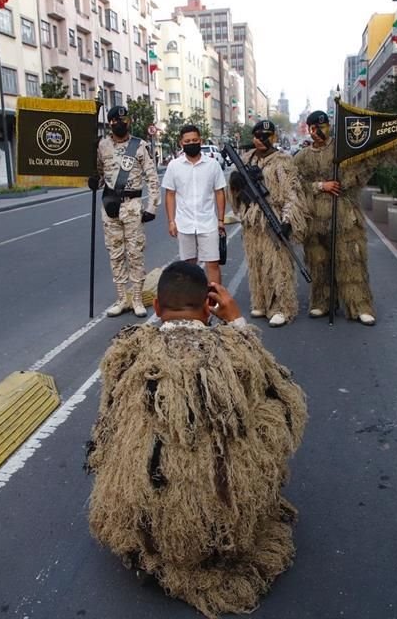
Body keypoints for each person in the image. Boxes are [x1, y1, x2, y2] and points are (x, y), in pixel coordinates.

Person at [85, 261, 307, 619]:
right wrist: (237, 322)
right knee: (267, 415)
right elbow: (281, 394)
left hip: (150, 515)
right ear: (209, 306)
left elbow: (105, 429)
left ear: (156, 309)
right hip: (220, 516)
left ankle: (152, 525)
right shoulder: (234, 350)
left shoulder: (129, 352)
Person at [293, 110, 377, 324]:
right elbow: (294, 184)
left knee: (350, 260)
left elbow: (359, 173)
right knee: (318, 261)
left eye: (323, 126)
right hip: (315, 217)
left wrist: (346, 179)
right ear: (308, 129)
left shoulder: (342, 149)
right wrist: (320, 186)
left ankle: (359, 305)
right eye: (313, 128)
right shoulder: (302, 157)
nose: (318, 131)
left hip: (344, 214)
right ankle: (322, 301)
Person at [228, 119, 307, 327]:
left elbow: (292, 194)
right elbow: (235, 198)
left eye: (266, 137)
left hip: (274, 217)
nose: (261, 140)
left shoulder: (282, 161)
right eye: (257, 136)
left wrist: (288, 221)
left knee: (278, 265)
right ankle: (261, 302)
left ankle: (282, 306)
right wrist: (235, 185)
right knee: (256, 263)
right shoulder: (245, 159)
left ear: (273, 138)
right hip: (251, 223)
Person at [92, 105, 161, 317]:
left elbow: (152, 177)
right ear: (110, 123)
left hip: (132, 206)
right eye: (116, 121)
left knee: (135, 253)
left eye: (125, 120)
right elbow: (99, 172)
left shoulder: (139, 145)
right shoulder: (102, 146)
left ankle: (137, 299)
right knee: (115, 253)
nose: (121, 124)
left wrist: (151, 207)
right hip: (110, 205)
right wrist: (94, 180)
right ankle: (122, 298)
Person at [161, 124, 227, 285]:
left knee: (212, 263)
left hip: (208, 223)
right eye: (188, 141)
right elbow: (170, 194)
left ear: (201, 141)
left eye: (195, 140)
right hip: (184, 223)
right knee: (188, 265)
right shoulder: (174, 166)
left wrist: (220, 220)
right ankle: (192, 302)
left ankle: (215, 304)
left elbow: (220, 192)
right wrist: (171, 221)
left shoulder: (212, 165)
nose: (191, 143)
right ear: (181, 143)